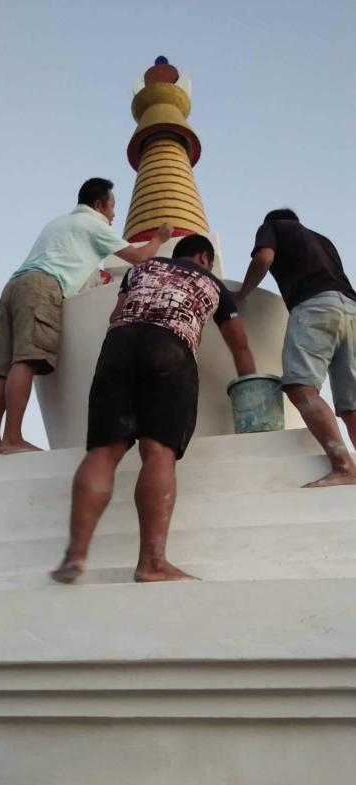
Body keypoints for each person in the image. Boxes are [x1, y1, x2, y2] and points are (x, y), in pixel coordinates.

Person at [51, 233, 256, 584]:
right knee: (158, 451)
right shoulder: (213, 283)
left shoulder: (141, 268)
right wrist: (252, 387)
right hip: (171, 348)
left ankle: (75, 555)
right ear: (204, 257)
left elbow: (116, 314)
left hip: (119, 345)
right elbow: (239, 344)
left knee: (103, 452)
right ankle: (152, 563)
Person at [0, 177, 172, 455]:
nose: (114, 214)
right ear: (98, 205)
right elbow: (140, 257)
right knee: (26, 359)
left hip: (15, 285)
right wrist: (160, 238)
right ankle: (12, 438)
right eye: (112, 206)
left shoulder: (59, 223)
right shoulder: (94, 224)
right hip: (43, 287)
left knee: (0, 368)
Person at [234, 208, 356, 488]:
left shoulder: (275, 227)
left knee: (300, 385)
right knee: (351, 405)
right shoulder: (323, 240)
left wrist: (242, 293)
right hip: (351, 308)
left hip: (315, 306)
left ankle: (344, 467)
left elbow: (264, 258)